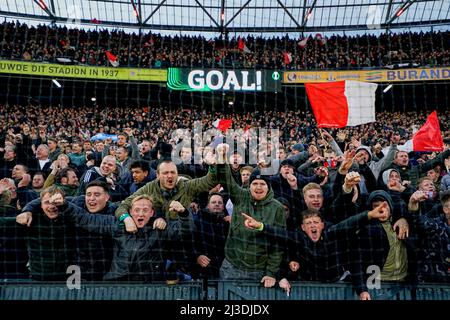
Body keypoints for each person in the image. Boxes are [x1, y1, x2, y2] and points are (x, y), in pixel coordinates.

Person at [241, 204, 392, 294]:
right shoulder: (299, 238)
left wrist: (370, 215)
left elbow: (348, 223)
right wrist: (259, 226)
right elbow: (280, 234)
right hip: (311, 287)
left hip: (339, 283)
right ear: (303, 227)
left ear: (322, 225)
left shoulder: (331, 234)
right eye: (308, 223)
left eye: (316, 222)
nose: (312, 225)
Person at [50, 192, 192, 283]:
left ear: (152, 213)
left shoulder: (160, 228)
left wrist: (184, 213)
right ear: (130, 212)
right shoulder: (117, 225)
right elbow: (86, 219)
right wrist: (64, 205)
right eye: (136, 210)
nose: (140, 214)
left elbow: (185, 230)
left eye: (145, 210)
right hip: (117, 281)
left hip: (148, 284)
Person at [216, 144, 286, 288]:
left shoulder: (277, 208)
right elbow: (227, 181)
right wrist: (222, 160)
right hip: (232, 267)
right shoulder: (240, 196)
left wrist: (271, 272)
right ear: (249, 185)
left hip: (259, 271)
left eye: (262, 184)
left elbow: (279, 243)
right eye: (255, 183)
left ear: (269, 187)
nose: (258, 187)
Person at [115, 157, 218, 230]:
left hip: (182, 236)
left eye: (173, 172)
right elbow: (122, 207)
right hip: (158, 238)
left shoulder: (187, 186)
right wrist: (126, 219)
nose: (170, 176)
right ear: (158, 175)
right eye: (165, 173)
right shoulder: (148, 189)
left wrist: (213, 167)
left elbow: (209, 182)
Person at [407, 190, 450, 283]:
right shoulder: (435, 226)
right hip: (432, 288)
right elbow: (417, 221)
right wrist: (413, 205)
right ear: (446, 209)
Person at [192, 193, 230, 279]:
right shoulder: (198, 221)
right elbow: (190, 243)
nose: (217, 204)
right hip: (203, 270)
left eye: (220, 203)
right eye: (213, 202)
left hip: (224, 271)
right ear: (208, 206)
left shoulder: (227, 224)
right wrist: (197, 256)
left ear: (223, 207)